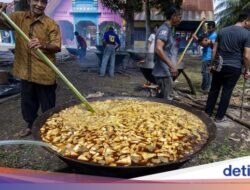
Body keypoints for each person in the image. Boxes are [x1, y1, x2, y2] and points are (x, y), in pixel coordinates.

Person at [0, 0, 61, 136]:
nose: (39, 4)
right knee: (27, 103)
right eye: (36, 0)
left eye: (43, 2)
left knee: (48, 106)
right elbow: (2, 23)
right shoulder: (18, 17)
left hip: (44, 73)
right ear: (29, 1)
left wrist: (43, 44)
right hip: (25, 71)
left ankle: (49, 129)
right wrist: (2, 11)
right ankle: (30, 125)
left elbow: (57, 46)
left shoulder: (51, 24)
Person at [205, 9, 250, 123]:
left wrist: (211, 65)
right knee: (227, 91)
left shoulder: (222, 31)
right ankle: (219, 117)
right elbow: (246, 55)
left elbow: (214, 50)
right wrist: (247, 69)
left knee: (214, 89)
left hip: (219, 65)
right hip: (234, 67)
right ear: (246, 20)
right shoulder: (247, 34)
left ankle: (207, 113)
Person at [152, 6, 182, 100]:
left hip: (164, 71)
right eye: (179, 17)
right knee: (167, 100)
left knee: (162, 98)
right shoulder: (164, 30)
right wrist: (171, 66)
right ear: (173, 16)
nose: (180, 20)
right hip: (163, 72)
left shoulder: (169, 29)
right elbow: (158, 49)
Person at [194, 22, 217, 92]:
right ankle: (207, 88)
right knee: (207, 73)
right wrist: (198, 39)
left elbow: (205, 44)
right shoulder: (208, 34)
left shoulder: (214, 35)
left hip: (209, 56)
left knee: (205, 73)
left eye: (210, 28)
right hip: (206, 56)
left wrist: (196, 39)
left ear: (214, 28)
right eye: (208, 28)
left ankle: (205, 88)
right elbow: (203, 42)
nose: (209, 29)